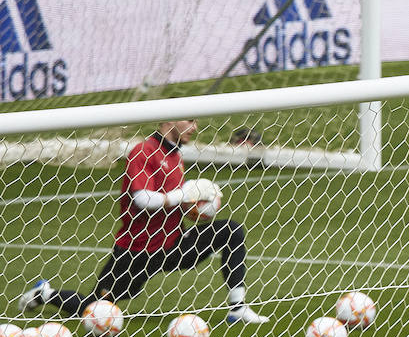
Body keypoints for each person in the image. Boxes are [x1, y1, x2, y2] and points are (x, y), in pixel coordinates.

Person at [16, 119, 267, 324]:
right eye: (190, 120)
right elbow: (143, 199)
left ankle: (238, 308)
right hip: (137, 251)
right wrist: (185, 195)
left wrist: (193, 209)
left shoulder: (175, 156)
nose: (195, 127)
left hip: (174, 245)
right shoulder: (144, 151)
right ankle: (45, 293)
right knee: (97, 309)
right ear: (169, 120)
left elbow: (173, 201)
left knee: (231, 231)